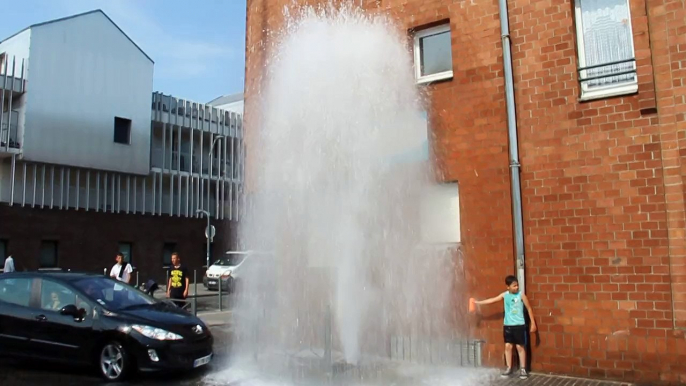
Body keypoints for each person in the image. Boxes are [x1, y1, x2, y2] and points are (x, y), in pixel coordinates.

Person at [473, 275, 537, 380]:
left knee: (520, 347)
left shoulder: (521, 295)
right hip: (508, 326)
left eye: (517, 285)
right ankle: (509, 368)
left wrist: (533, 323)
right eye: (514, 286)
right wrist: (478, 303)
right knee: (508, 346)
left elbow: (529, 308)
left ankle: (523, 369)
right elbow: (492, 300)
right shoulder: (505, 295)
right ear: (508, 287)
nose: (516, 287)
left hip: (519, 325)